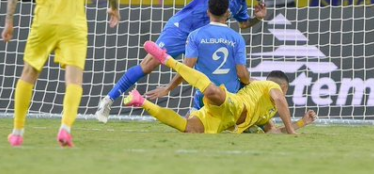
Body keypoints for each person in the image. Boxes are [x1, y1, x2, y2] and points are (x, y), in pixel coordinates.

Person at [2, 0, 120, 147]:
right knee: (74, 80)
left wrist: (9, 21)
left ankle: (17, 132)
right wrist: (114, 8)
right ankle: (65, 129)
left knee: (29, 73)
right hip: (74, 23)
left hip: (44, 21)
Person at [95, 0, 269, 123]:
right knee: (148, 65)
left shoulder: (240, 4)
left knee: (203, 73)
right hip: (182, 27)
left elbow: (244, 24)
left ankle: (197, 114)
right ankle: (108, 99)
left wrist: (258, 18)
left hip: (201, 38)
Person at [124, 41, 317, 134]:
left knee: (186, 128)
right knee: (212, 91)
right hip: (235, 105)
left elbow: (273, 132)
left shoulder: (266, 115)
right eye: (283, 92)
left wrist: (301, 124)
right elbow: (279, 99)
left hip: (222, 121)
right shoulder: (271, 86)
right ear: (284, 88)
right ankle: (168, 60)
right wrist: (292, 131)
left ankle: (140, 101)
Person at [146, 0, 250, 111]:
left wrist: (168, 88)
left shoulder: (195, 36)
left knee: (189, 125)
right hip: (231, 97)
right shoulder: (237, 38)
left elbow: (187, 69)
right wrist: (248, 82)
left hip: (205, 97)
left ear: (208, 12)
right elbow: (242, 74)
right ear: (227, 12)